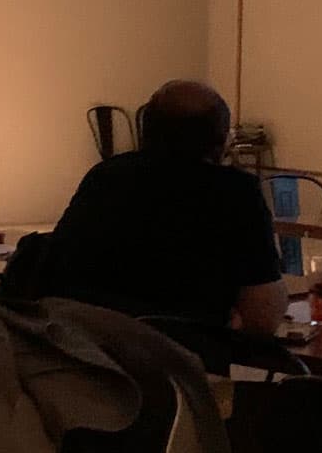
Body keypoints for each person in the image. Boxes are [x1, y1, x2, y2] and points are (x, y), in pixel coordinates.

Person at [41, 81, 285, 330]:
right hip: (184, 356)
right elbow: (262, 318)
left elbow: (58, 272)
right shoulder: (236, 192)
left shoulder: (105, 176)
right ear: (221, 140)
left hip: (90, 349)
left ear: (145, 128)